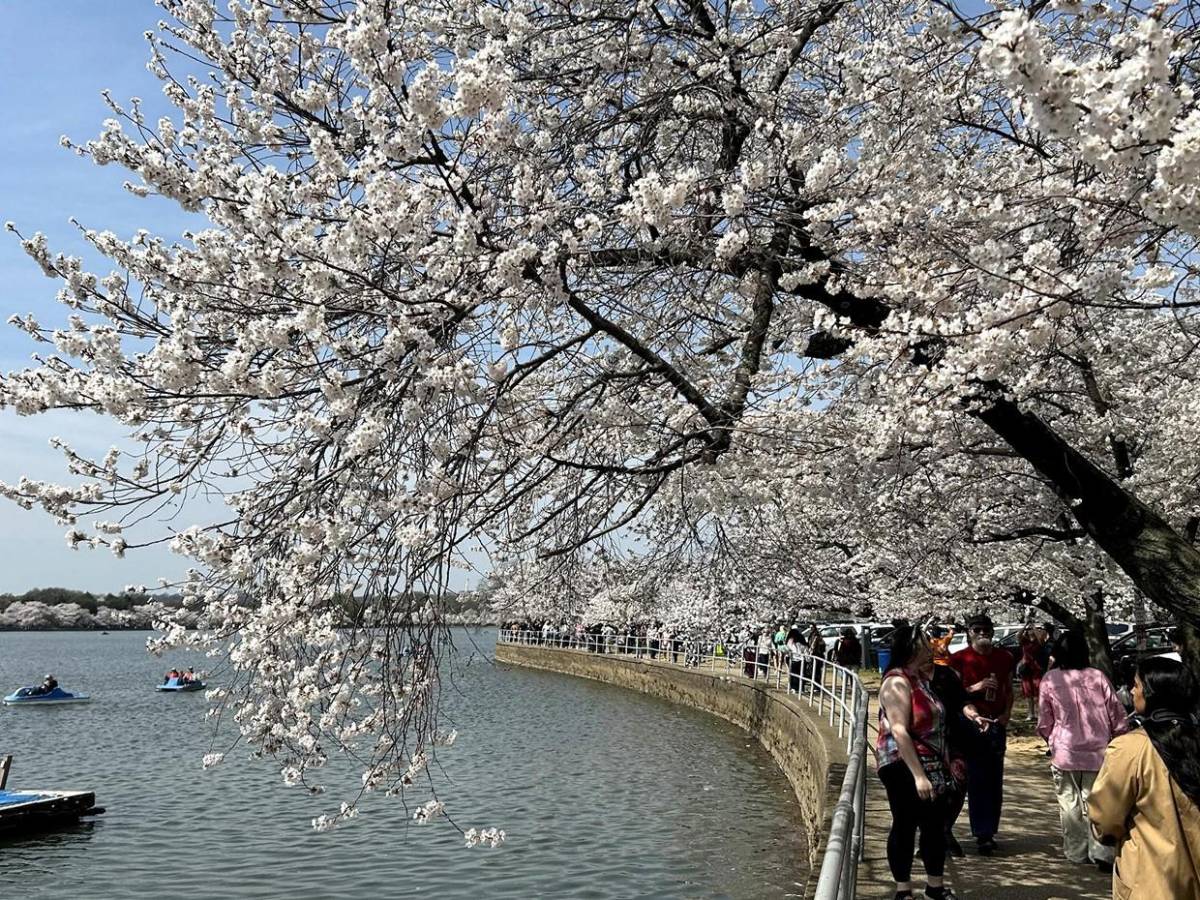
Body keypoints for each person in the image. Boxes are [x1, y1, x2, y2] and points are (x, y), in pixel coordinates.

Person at [1089, 657, 1200, 899]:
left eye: (1137, 685)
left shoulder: (1130, 749)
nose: (1131, 691)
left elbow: (1105, 817)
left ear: (1152, 694)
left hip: (1151, 880)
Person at [876, 622, 958, 900]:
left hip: (933, 760)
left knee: (935, 825)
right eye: (926, 641)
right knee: (905, 822)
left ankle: (935, 886)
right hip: (902, 763)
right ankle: (903, 890)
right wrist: (918, 775)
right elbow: (899, 729)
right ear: (913, 647)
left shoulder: (921, 679)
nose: (932, 645)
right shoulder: (897, 681)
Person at [1036, 629, 1128, 870]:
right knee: (1096, 802)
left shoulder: (1050, 680)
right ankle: (1101, 851)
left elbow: (1045, 719)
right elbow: (1116, 714)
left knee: (1069, 804)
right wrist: (1119, 737)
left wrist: (1050, 739)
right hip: (1098, 752)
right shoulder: (1098, 677)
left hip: (1065, 752)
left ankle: (1076, 852)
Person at [948, 613, 1015, 855]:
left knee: (993, 780)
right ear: (969, 632)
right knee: (966, 779)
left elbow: (1009, 689)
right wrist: (976, 688)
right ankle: (945, 831)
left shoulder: (1005, 658)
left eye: (987, 629)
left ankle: (986, 833)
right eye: (977, 629)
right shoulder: (958, 659)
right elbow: (952, 695)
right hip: (968, 726)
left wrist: (1007, 713)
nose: (983, 633)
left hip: (996, 724)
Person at [1017, 625, 1045, 721]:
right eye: (1028, 630)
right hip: (1026, 668)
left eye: (1031, 630)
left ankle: (1040, 713)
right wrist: (1025, 626)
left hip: (1037, 669)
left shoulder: (1038, 641)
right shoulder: (1024, 641)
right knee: (1028, 692)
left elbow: (1041, 638)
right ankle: (1031, 713)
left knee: (1038, 692)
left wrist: (1033, 627)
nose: (1030, 631)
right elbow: (1018, 635)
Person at [785, 626, 806, 693]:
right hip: (801, 659)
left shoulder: (790, 640)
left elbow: (788, 649)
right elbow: (805, 650)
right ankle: (801, 688)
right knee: (801, 674)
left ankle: (794, 687)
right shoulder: (802, 640)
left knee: (793, 673)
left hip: (793, 659)